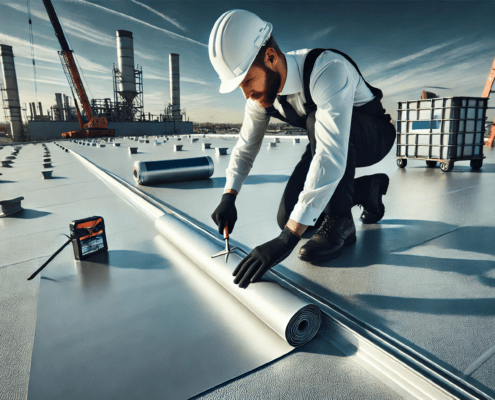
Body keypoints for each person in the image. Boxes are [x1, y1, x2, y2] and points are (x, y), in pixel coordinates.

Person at [209, 10, 396, 289]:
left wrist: (287, 240)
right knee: (288, 217)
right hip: (325, 140)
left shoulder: (327, 68)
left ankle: (340, 222)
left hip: (373, 136)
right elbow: (246, 147)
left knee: (314, 121)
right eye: (240, 86)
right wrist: (229, 196)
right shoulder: (261, 99)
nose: (246, 94)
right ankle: (367, 189)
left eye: (248, 81)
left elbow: (332, 153)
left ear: (270, 57)